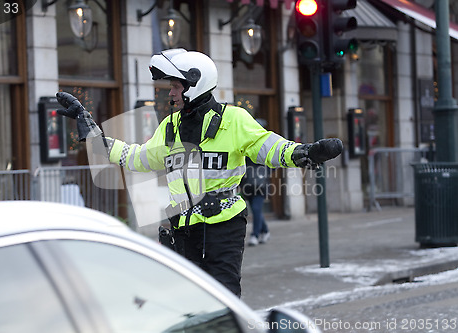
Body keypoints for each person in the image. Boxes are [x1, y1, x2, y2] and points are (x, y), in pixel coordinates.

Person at [56, 48, 343, 297]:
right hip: (182, 229)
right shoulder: (170, 126)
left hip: (223, 227)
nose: (170, 93)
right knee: (189, 302)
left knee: (223, 296)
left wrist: (305, 153)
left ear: (195, 83)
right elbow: (135, 158)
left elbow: (269, 147)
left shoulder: (234, 119)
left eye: (176, 86)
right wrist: (92, 131)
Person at [240, 156, 270, 246]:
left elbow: (272, 166)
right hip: (248, 186)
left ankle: (255, 235)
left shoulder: (262, 154)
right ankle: (265, 231)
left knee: (256, 209)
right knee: (255, 209)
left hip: (260, 186)